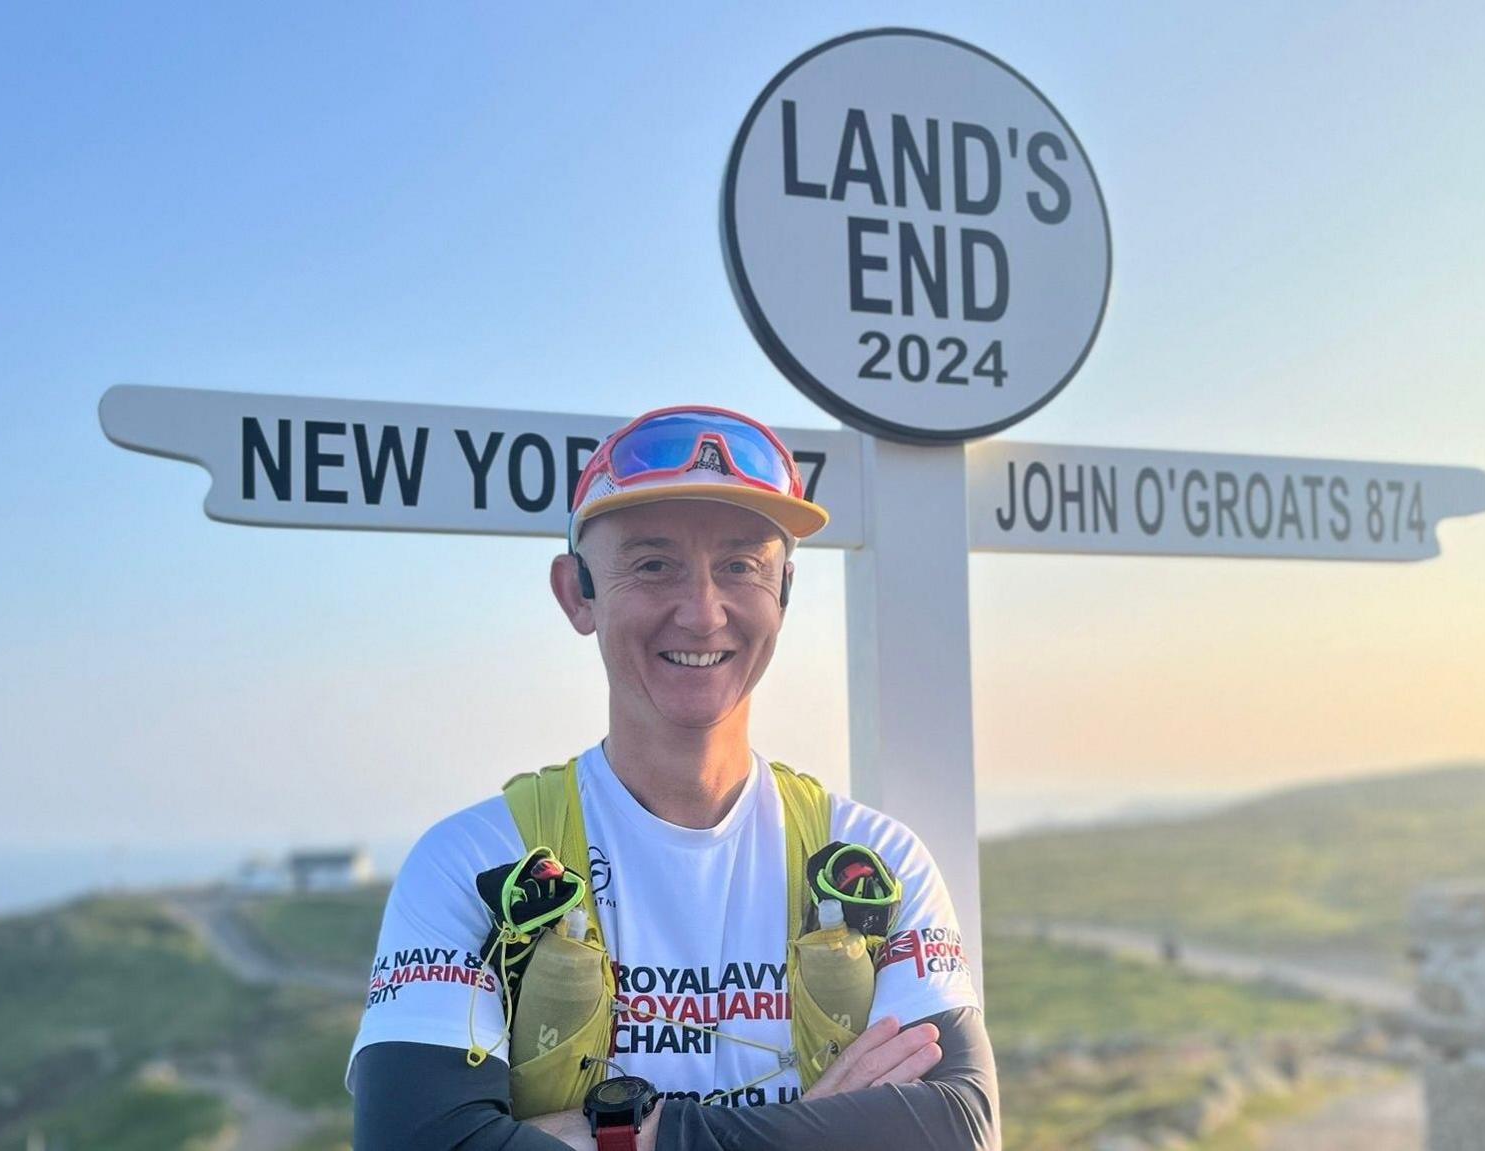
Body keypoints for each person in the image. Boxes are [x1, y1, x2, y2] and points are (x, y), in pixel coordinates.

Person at [348, 406, 999, 1150]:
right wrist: (822, 1123)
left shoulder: (875, 862)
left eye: (741, 566)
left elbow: (960, 1129)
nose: (702, 612)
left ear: (784, 591)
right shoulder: (473, 863)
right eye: (653, 563)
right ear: (577, 594)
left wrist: (627, 1133)